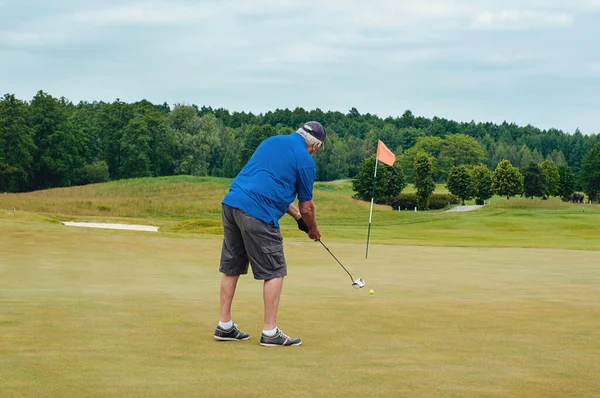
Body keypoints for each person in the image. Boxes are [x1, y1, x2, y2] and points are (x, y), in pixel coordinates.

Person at [213, 121, 325, 347]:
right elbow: (307, 206)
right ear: (316, 145)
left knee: (232, 266)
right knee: (274, 271)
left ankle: (224, 326)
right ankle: (270, 332)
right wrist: (312, 229)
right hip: (257, 213)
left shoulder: (271, 142)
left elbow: (270, 187)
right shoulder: (305, 160)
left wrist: (298, 220)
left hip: (232, 204)